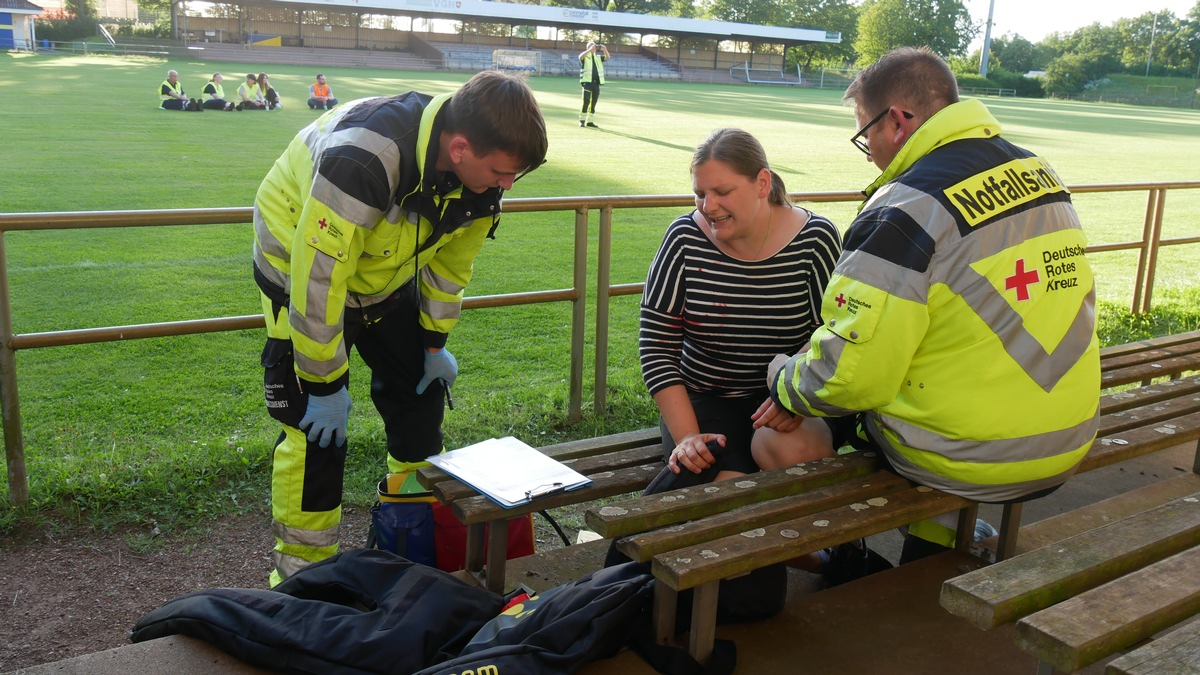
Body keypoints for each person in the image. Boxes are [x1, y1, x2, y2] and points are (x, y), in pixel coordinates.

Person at [766, 46, 1100, 564]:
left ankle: (893, 552)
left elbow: (851, 379)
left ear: (898, 122)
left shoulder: (906, 207)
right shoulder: (1039, 172)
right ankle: (942, 538)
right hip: (1070, 435)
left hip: (974, 458)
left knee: (854, 412)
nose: (869, 152)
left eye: (866, 135)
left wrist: (782, 379)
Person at [252, 70, 548, 586]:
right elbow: (318, 279)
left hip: (382, 276)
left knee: (419, 397)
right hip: (299, 272)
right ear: (459, 148)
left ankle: (410, 533)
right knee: (315, 433)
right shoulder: (362, 157)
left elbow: (450, 266)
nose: (506, 185)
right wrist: (323, 383)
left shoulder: (481, 183)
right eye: (501, 172)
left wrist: (433, 342)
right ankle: (302, 578)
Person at [642, 128, 842, 487]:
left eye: (722, 192)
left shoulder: (816, 238)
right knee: (728, 493)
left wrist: (792, 396)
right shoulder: (684, 238)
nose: (708, 206)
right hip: (702, 401)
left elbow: (831, 331)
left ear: (762, 183)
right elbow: (657, 346)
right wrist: (687, 437)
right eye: (700, 194)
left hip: (788, 396)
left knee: (795, 455)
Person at [577, 40, 609, 128]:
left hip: (596, 84)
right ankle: (582, 120)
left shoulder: (597, 57)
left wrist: (605, 49)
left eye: (594, 47)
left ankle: (590, 121)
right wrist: (589, 50)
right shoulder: (585, 57)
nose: (593, 48)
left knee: (593, 103)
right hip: (587, 83)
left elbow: (607, 57)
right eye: (591, 47)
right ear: (588, 48)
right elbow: (580, 57)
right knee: (586, 101)